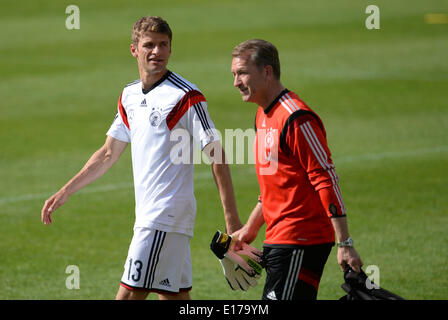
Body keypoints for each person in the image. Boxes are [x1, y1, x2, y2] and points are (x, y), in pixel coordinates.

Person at [41, 16, 242, 300]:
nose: (157, 52)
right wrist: (66, 190)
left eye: (163, 45)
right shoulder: (129, 96)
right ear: (134, 49)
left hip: (163, 216)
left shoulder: (186, 97)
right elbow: (108, 152)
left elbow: (216, 154)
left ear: (171, 50)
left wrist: (232, 223)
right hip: (157, 217)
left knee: (127, 298)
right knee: (173, 297)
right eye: (149, 45)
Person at [230, 39, 363, 300]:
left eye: (242, 73)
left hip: (301, 238)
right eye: (234, 74)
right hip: (279, 237)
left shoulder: (297, 118)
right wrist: (251, 227)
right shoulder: (262, 114)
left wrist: (345, 243)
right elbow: (274, 185)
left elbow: (325, 178)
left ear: (267, 72)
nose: (236, 82)